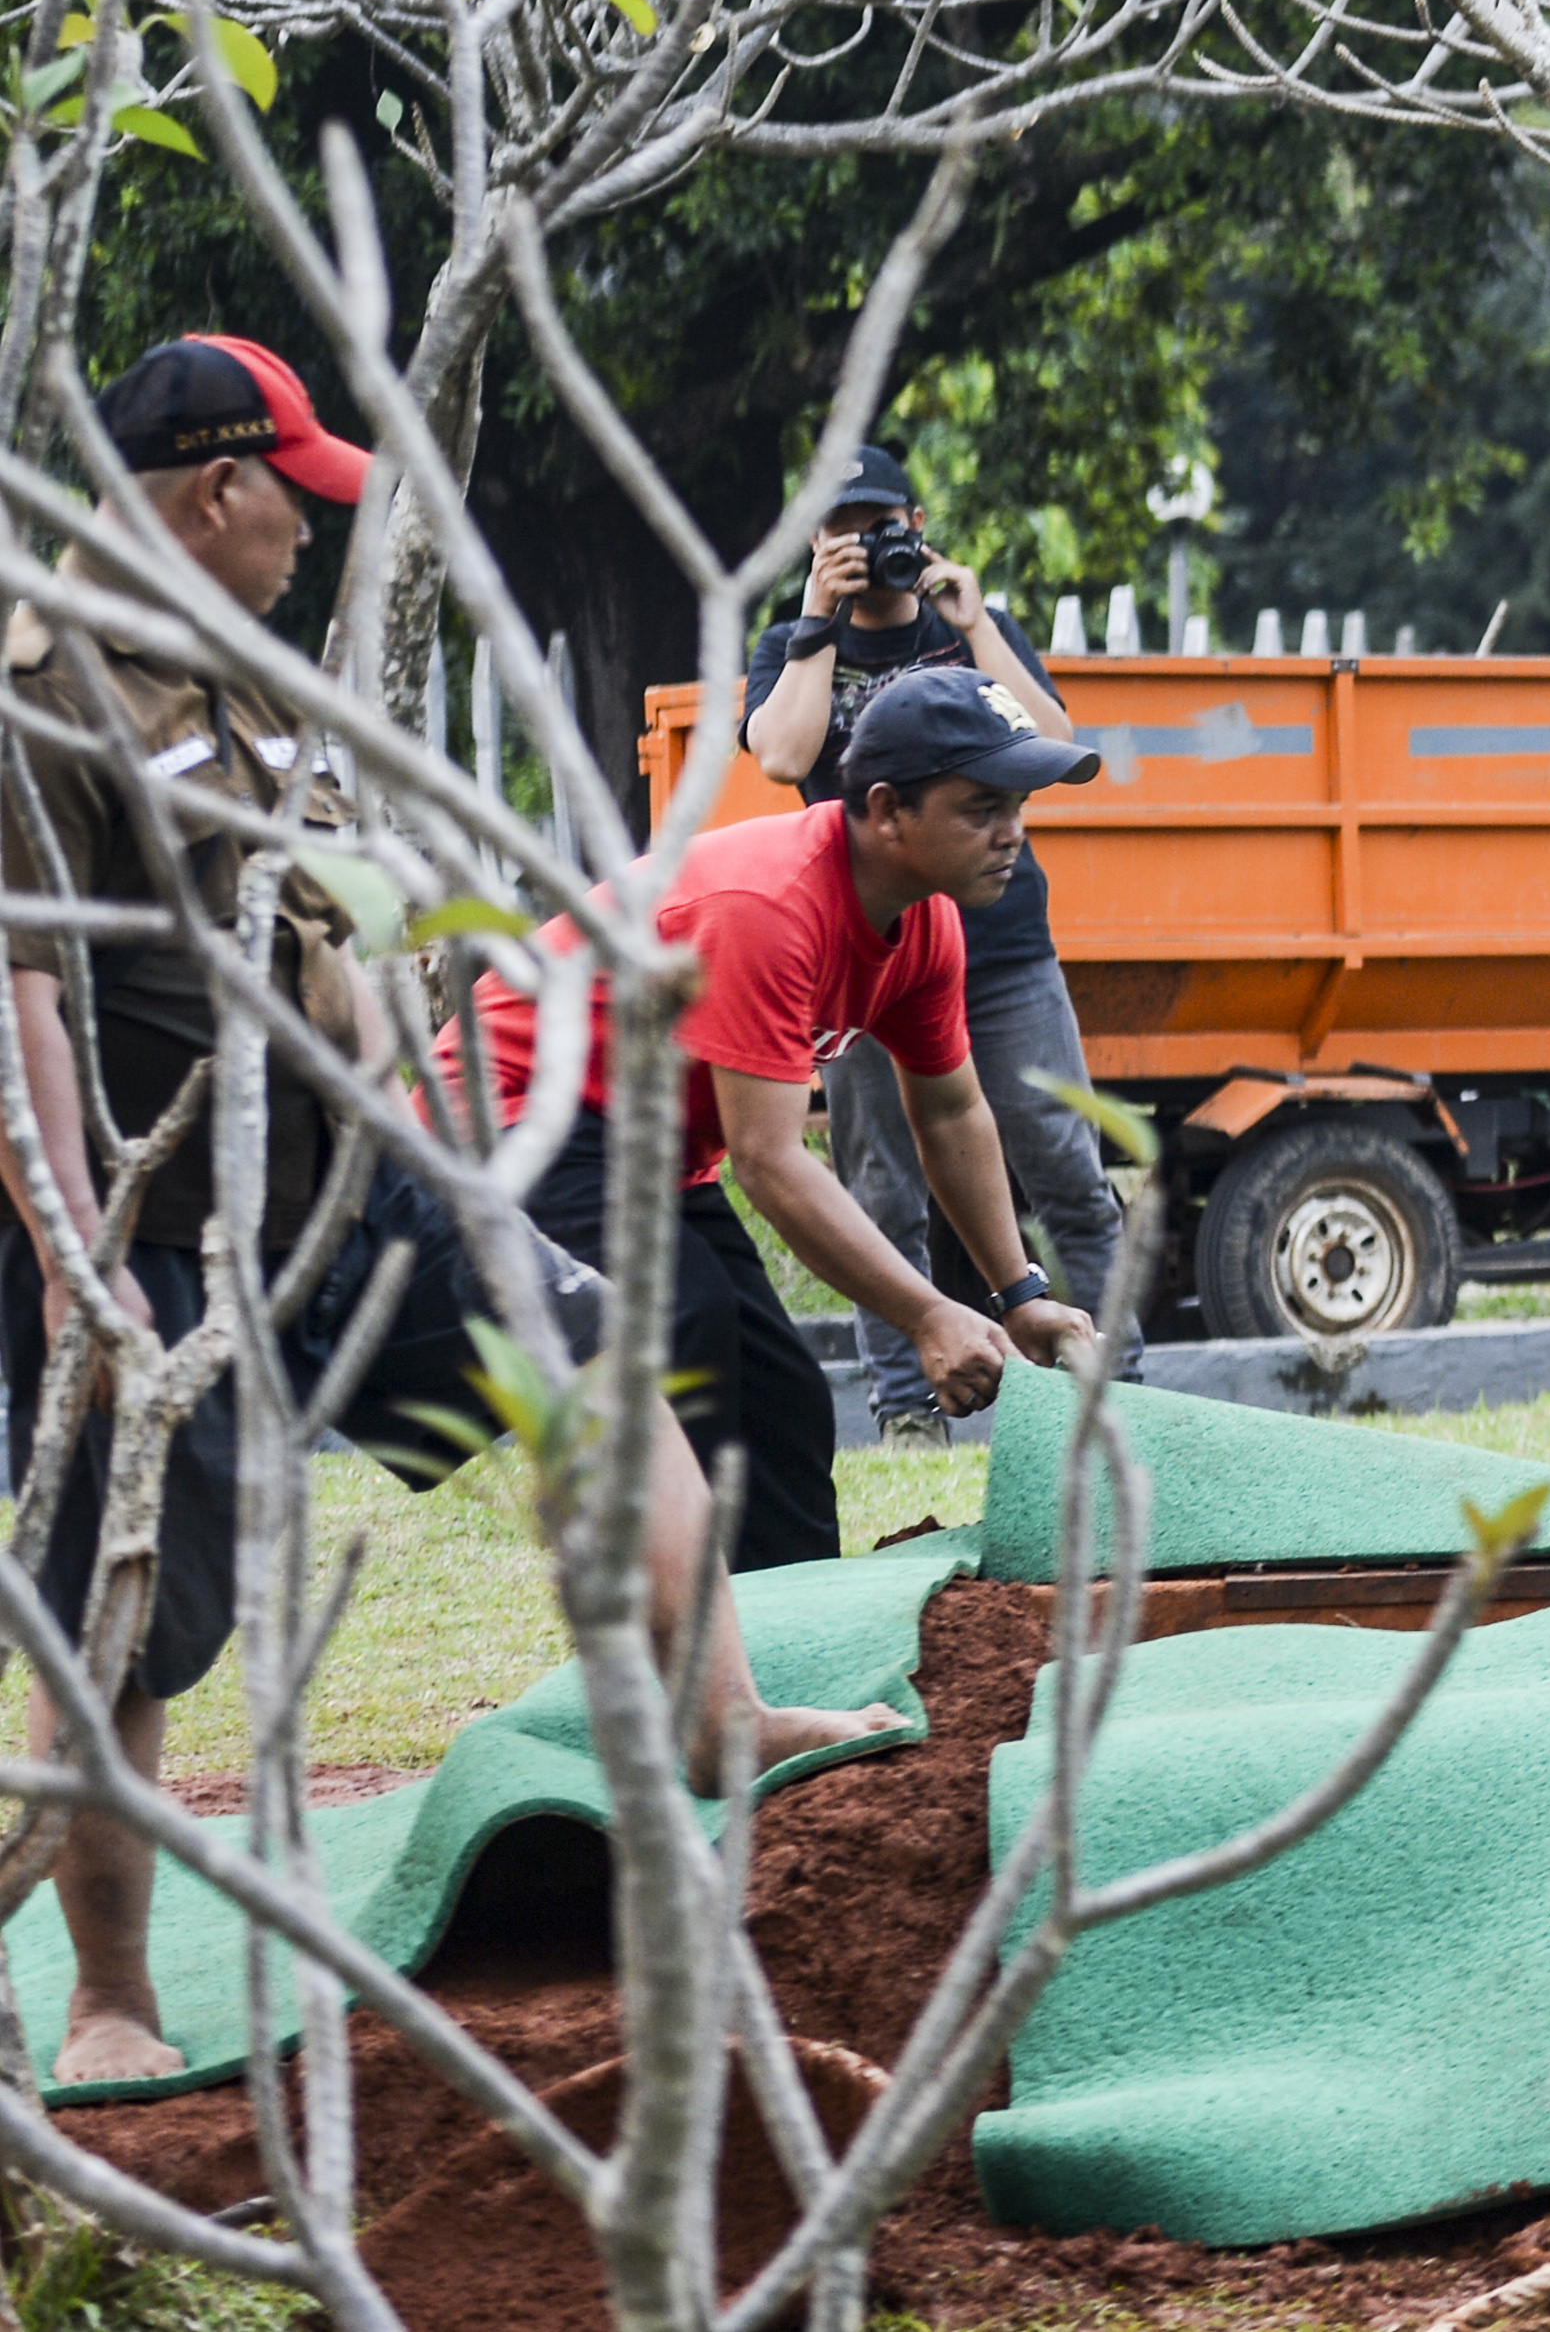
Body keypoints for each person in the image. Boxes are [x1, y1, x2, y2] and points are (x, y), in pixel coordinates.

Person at [2, 337, 896, 2086]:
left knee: (592, 1360)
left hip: (337, 1178)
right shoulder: (41, 689)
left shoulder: (245, 673)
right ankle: (112, 1993)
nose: (314, 535)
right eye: (299, 498)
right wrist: (69, 1256)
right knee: (128, 1615)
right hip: (138, 1226)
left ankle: (720, 1720)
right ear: (216, 488)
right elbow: (16, 989)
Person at [438, 670, 1107, 1571]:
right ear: (886, 810)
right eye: (982, 806)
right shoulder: (773, 904)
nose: (1012, 833)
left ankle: (788, 1655)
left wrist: (1017, 1296)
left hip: (644, 1147)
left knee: (782, 1394)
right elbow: (768, 1161)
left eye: (1019, 806)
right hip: (516, 1112)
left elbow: (950, 1113)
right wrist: (925, 1317)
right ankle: (675, 1663)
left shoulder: (926, 927)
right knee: (689, 1331)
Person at [736, 446, 1136, 1445]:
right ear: (815, 542)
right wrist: (817, 623)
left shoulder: (968, 632)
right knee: (880, 1181)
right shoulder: (793, 643)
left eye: (879, 522)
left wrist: (976, 625)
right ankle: (906, 1406)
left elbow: (1052, 744)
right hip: (868, 956)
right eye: (841, 528)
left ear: (914, 518)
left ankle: (1120, 1381)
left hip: (1000, 949)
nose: (865, 544)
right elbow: (781, 755)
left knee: (1064, 1162)